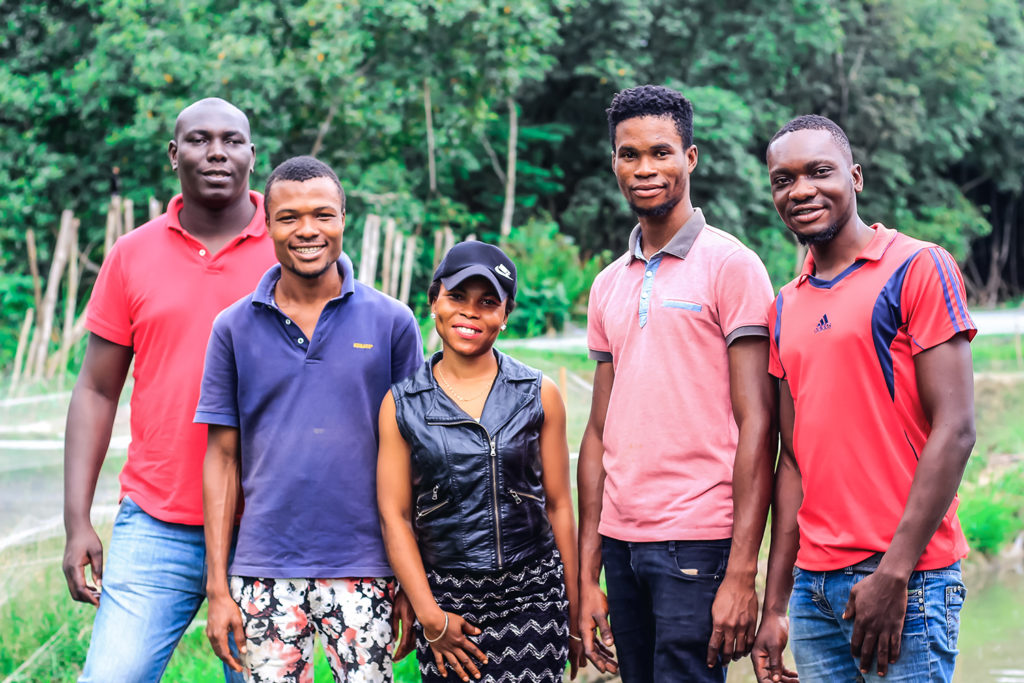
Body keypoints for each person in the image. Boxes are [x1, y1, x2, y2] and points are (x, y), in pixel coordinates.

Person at [751, 115, 976, 683]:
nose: (801, 190)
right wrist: (776, 605)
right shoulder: (784, 307)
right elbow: (795, 459)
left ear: (855, 177)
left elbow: (956, 429)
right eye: (784, 180)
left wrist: (894, 574)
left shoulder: (919, 267)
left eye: (819, 172)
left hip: (908, 578)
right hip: (812, 590)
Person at [62, 97, 274, 683]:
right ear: (173, 154)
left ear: (252, 157)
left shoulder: (294, 250)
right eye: (199, 139)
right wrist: (76, 520)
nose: (216, 152)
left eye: (232, 140)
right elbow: (96, 393)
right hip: (158, 523)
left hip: (268, 526)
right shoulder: (132, 254)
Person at [196, 155, 424, 682]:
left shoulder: (392, 321)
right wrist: (218, 586)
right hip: (263, 569)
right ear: (267, 225)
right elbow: (223, 457)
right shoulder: (232, 327)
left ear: (344, 218)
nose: (307, 230)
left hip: (367, 568)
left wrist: (415, 581)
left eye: (323, 214)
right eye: (289, 217)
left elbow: (416, 457)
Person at [577, 84, 777, 683]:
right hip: (621, 539)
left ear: (690, 158)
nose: (644, 169)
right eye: (628, 154)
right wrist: (587, 576)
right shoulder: (608, 283)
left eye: (661, 152)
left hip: (697, 538)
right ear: (613, 161)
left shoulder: (732, 266)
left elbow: (758, 424)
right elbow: (598, 432)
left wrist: (744, 567)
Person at [377, 241, 585, 683]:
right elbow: (394, 517)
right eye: (456, 298)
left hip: (533, 596)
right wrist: (430, 617)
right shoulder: (401, 405)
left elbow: (560, 506)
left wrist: (575, 603)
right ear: (433, 300)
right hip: (449, 603)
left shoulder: (538, 393)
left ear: (505, 314)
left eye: (488, 303)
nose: (470, 313)